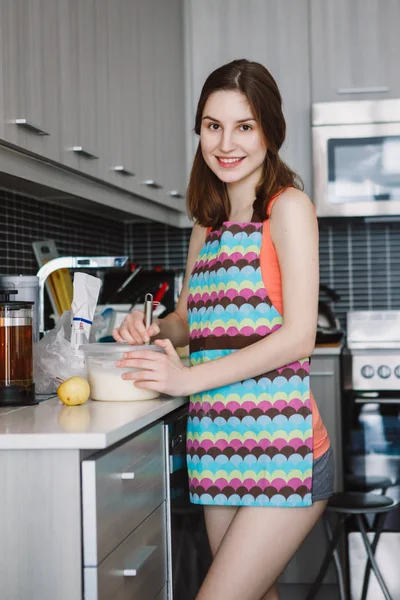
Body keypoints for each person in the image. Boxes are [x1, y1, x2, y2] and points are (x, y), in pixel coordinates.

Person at [113, 59, 334, 600]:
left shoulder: (288, 208)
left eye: (244, 126)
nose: (226, 142)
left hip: (284, 449)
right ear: (200, 132)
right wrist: (150, 325)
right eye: (214, 126)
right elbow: (190, 320)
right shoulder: (206, 224)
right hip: (219, 445)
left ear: (270, 132)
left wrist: (186, 380)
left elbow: (298, 337)